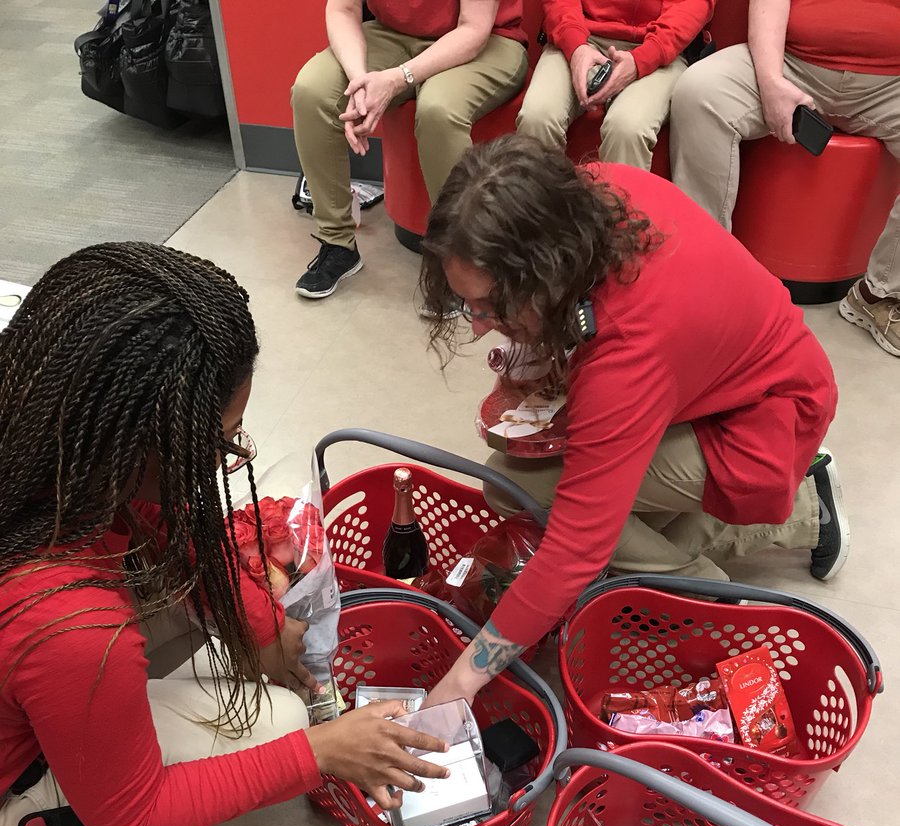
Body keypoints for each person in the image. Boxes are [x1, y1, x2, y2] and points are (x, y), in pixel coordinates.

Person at [0, 243, 450, 826]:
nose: (228, 460)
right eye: (218, 442)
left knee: (207, 607)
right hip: (29, 755)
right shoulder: (69, 623)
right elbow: (135, 812)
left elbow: (177, 538)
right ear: (131, 441)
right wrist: (320, 751)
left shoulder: (49, 436)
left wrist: (269, 633)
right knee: (281, 724)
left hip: (42, 658)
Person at [418, 136, 847, 709]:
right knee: (629, 526)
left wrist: (463, 680)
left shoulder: (627, 356)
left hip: (764, 423)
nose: (476, 328)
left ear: (544, 275)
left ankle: (710, 596)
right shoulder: (592, 193)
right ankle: (789, 513)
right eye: (466, 305)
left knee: (516, 483)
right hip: (733, 380)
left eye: (491, 308)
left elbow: (576, 546)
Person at [669, 0, 900, 358]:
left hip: (888, 84)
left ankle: (879, 295)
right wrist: (771, 81)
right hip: (792, 62)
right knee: (700, 91)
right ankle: (704, 280)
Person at [291, 0, 528, 300]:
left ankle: (462, 260)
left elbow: (474, 28)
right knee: (312, 91)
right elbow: (343, 9)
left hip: (486, 39)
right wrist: (359, 80)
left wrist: (397, 78)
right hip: (393, 35)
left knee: (438, 111)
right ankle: (337, 243)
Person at [517, 0, 713, 170]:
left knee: (627, 128)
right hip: (582, 34)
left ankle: (618, 213)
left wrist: (642, 60)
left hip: (661, 49)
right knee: (537, 116)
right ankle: (540, 211)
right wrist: (575, 45)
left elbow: (691, 8)